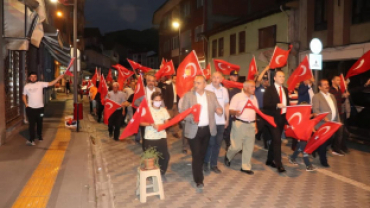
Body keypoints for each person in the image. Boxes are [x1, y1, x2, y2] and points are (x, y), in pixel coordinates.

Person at [180, 75, 223, 189]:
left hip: (207, 130)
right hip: (194, 130)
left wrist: (219, 110)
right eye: (195, 82)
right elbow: (183, 112)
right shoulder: (189, 96)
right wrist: (192, 118)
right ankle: (199, 179)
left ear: (204, 84)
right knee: (197, 154)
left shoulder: (211, 95)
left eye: (198, 83)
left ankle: (198, 169)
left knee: (202, 154)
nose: (196, 85)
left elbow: (218, 107)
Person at [225, 80, 258, 175]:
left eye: (254, 87)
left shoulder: (254, 98)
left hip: (251, 125)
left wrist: (255, 125)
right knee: (236, 147)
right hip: (240, 124)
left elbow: (255, 111)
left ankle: (245, 167)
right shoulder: (237, 97)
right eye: (252, 87)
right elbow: (230, 110)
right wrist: (235, 112)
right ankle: (228, 156)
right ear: (246, 87)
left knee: (249, 147)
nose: (254, 89)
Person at [22, 72, 64, 145]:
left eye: (34, 77)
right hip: (30, 109)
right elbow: (23, 96)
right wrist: (26, 105)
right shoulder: (26, 86)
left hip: (40, 108)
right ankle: (31, 139)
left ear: (37, 78)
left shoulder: (40, 84)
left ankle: (39, 136)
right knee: (31, 124)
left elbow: (50, 83)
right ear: (29, 78)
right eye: (31, 77)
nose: (33, 78)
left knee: (40, 123)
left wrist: (58, 78)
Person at [263, 70, 290, 173]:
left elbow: (287, 106)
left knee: (275, 140)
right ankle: (279, 164)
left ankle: (269, 160)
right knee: (278, 140)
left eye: (283, 76)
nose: (282, 78)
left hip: (282, 118)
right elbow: (265, 105)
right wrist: (276, 105)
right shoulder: (269, 90)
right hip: (272, 119)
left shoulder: (286, 90)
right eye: (280, 76)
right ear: (274, 78)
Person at [204, 72, 229, 174]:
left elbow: (226, 104)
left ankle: (214, 164)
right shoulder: (207, 88)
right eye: (213, 77)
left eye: (218, 77)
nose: (215, 79)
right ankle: (205, 162)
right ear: (211, 78)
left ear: (221, 79)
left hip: (221, 121)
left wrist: (227, 119)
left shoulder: (224, 90)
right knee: (210, 143)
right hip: (210, 121)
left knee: (218, 143)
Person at [140, 92, 171, 175]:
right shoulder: (147, 110)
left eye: (159, 100)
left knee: (165, 156)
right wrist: (151, 124)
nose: (158, 102)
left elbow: (167, 123)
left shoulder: (163, 110)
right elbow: (141, 122)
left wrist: (161, 126)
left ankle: (161, 172)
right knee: (150, 158)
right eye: (156, 100)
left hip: (161, 137)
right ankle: (151, 173)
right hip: (150, 137)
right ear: (152, 100)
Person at [312, 79, 340, 167]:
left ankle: (316, 148)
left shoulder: (332, 96)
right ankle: (323, 160)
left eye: (327, 84)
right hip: (322, 123)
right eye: (324, 84)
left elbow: (335, 109)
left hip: (333, 123)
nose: (327, 86)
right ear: (319, 87)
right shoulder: (316, 96)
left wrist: (338, 121)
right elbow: (315, 110)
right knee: (323, 142)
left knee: (331, 139)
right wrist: (324, 118)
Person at [134, 74, 162, 149]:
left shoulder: (158, 90)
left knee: (155, 131)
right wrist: (143, 104)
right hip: (145, 115)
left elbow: (161, 102)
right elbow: (135, 102)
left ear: (155, 82)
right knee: (145, 133)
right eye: (149, 80)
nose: (151, 83)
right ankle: (146, 149)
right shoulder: (141, 90)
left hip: (155, 115)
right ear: (146, 81)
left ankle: (154, 147)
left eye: (153, 81)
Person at [288, 101, 316, 171]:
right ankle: (308, 165)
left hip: (304, 136)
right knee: (304, 150)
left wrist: (312, 130)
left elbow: (308, 123)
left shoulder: (306, 115)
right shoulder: (300, 115)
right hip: (300, 136)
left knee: (299, 148)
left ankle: (292, 158)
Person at [329, 75, 350, 155]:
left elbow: (340, 101)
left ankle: (337, 148)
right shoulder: (331, 90)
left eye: (339, 80)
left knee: (340, 132)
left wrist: (344, 97)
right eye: (337, 80)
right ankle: (335, 149)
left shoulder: (339, 90)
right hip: (334, 114)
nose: (339, 81)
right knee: (338, 133)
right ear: (333, 81)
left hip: (340, 113)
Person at [223, 70, 241, 150]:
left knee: (237, 129)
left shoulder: (239, 87)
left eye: (236, 76)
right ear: (230, 77)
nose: (235, 77)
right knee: (228, 128)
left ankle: (236, 145)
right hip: (229, 110)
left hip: (237, 111)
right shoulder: (226, 87)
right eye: (234, 76)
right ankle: (228, 143)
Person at [254, 73, 270, 150]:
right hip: (259, 110)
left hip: (267, 110)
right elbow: (258, 81)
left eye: (266, 80)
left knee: (265, 127)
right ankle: (258, 134)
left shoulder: (269, 89)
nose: (265, 81)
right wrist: (265, 70)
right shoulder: (257, 87)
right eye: (264, 80)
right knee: (261, 126)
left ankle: (266, 144)